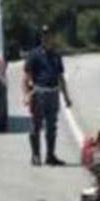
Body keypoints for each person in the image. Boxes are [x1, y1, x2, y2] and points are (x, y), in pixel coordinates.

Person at [23, 26, 72, 166]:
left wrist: (66, 97)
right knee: (36, 125)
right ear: (41, 37)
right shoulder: (34, 55)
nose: (46, 38)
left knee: (52, 126)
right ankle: (36, 156)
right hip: (38, 93)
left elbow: (60, 78)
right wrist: (26, 95)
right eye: (44, 35)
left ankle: (50, 156)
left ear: (52, 37)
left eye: (49, 35)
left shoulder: (56, 56)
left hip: (53, 93)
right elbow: (26, 78)